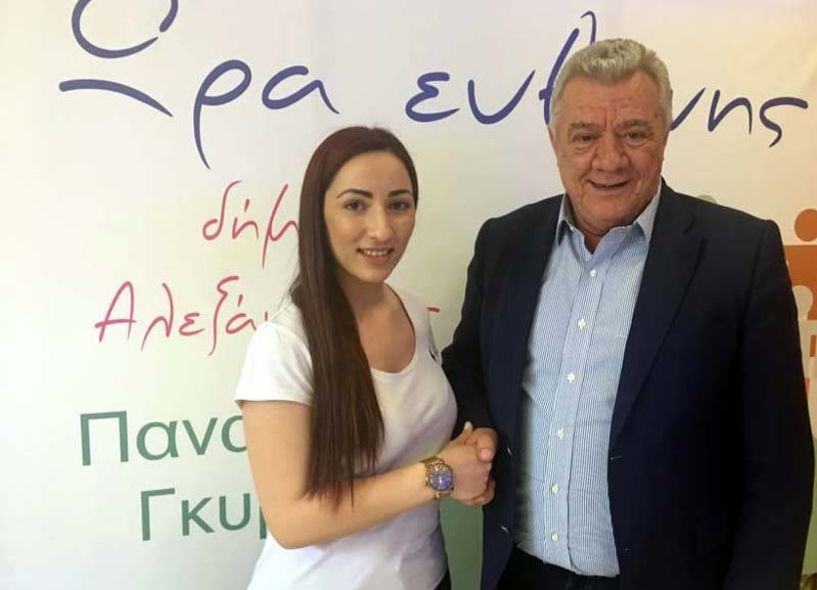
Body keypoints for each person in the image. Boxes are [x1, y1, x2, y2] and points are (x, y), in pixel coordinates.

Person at [442, 38, 814, 590]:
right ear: (555, 141)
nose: (609, 159)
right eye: (585, 136)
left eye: (634, 133)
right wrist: (479, 437)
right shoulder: (504, 243)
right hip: (520, 574)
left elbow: (780, 468)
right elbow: (467, 361)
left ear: (664, 134)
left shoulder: (740, 255)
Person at [235, 126, 493, 590]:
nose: (382, 228)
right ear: (319, 214)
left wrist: (474, 448)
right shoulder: (284, 344)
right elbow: (291, 520)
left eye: (399, 205)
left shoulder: (411, 310)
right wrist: (441, 474)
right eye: (355, 205)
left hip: (428, 576)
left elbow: (416, 431)